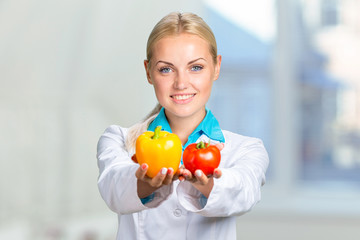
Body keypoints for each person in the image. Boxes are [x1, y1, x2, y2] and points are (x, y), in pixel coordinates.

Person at [97, 12, 269, 240]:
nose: (180, 83)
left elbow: (244, 192)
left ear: (216, 67)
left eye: (195, 67)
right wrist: (144, 184)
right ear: (149, 71)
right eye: (166, 69)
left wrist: (207, 185)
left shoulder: (247, 148)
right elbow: (113, 189)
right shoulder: (118, 139)